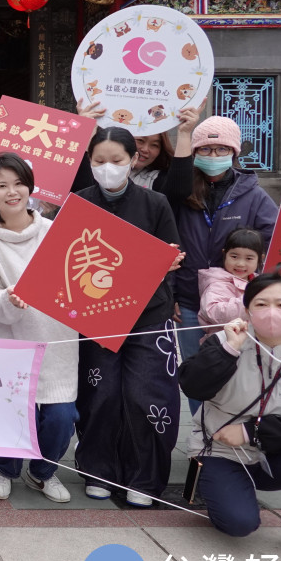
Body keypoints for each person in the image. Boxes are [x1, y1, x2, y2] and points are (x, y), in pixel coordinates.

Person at [179, 273, 281, 561]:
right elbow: (192, 387)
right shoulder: (222, 341)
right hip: (220, 451)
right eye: (261, 304)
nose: (271, 312)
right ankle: (213, 485)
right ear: (247, 309)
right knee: (238, 524)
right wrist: (229, 350)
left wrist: (251, 432)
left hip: (276, 453)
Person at [73, 127, 185, 507]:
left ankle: (145, 477)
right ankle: (97, 470)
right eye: (99, 161)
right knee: (99, 394)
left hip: (148, 315)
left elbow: (171, 256)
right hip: (96, 315)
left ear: (133, 160)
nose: (108, 168)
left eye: (116, 161)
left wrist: (169, 261)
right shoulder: (79, 203)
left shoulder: (156, 204)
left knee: (146, 395)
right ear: (89, 162)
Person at [0, 153, 78, 504]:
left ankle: (43, 472)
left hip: (56, 339)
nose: (12, 192)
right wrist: (8, 298)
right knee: (15, 411)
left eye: (18, 183)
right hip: (9, 340)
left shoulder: (57, 232)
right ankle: (6, 469)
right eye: (2, 185)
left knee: (61, 416)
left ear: (30, 187)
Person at [164, 114, 278, 409]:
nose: (213, 156)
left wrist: (254, 283)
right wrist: (171, 291)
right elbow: (167, 244)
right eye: (205, 149)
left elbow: (276, 241)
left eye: (221, 150)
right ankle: (201, 443)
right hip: (189, 301)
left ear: (234, 153)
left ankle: (231, 439)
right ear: (195, 152)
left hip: (238, 304)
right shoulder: (181, 191)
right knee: (196, 371)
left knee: (238, 370)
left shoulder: (254, 195)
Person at [198, 228, 264, 338]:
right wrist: (252, 302)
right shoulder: (217, 282)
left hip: (253, 346)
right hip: (224, 345)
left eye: (249, 258)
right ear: (224, 254)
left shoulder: (262, 283)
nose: (240, 264)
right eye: (234, 257)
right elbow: (213, 312)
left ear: (260, 258)